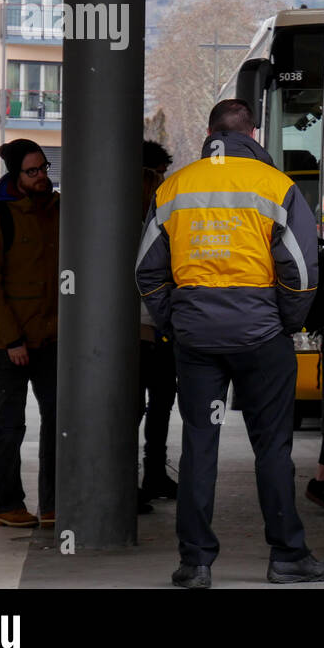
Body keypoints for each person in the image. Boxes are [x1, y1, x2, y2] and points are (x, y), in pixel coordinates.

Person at [135, 99, 324, 588]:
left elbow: (147, 269)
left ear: (209, 134)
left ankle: (195, 563)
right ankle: (287, 556)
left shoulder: (175, 187)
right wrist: (283, 322)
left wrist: (176, 321)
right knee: (272, 448)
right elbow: (302, 270)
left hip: (197, 341)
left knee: (200, 445)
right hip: (261, 336)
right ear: (254, 133)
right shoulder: (277, 187)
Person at [0, 139, 60, 529]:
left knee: (59, 421)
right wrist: (12, 341)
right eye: (32, 171)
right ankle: (8, 505)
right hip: (8, 343)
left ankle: (54, 504)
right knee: (10, 425)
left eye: (43, 168)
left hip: (53, 337)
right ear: (15, 175)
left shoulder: (59, 211)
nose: (42, 176)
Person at [138, 161, 178, 503]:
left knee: (161, 405)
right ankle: (140, 477)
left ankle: (153, 474)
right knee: (141, 407)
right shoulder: (137, 228)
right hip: (142, 332)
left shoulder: (155, 224)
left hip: (159, 330)